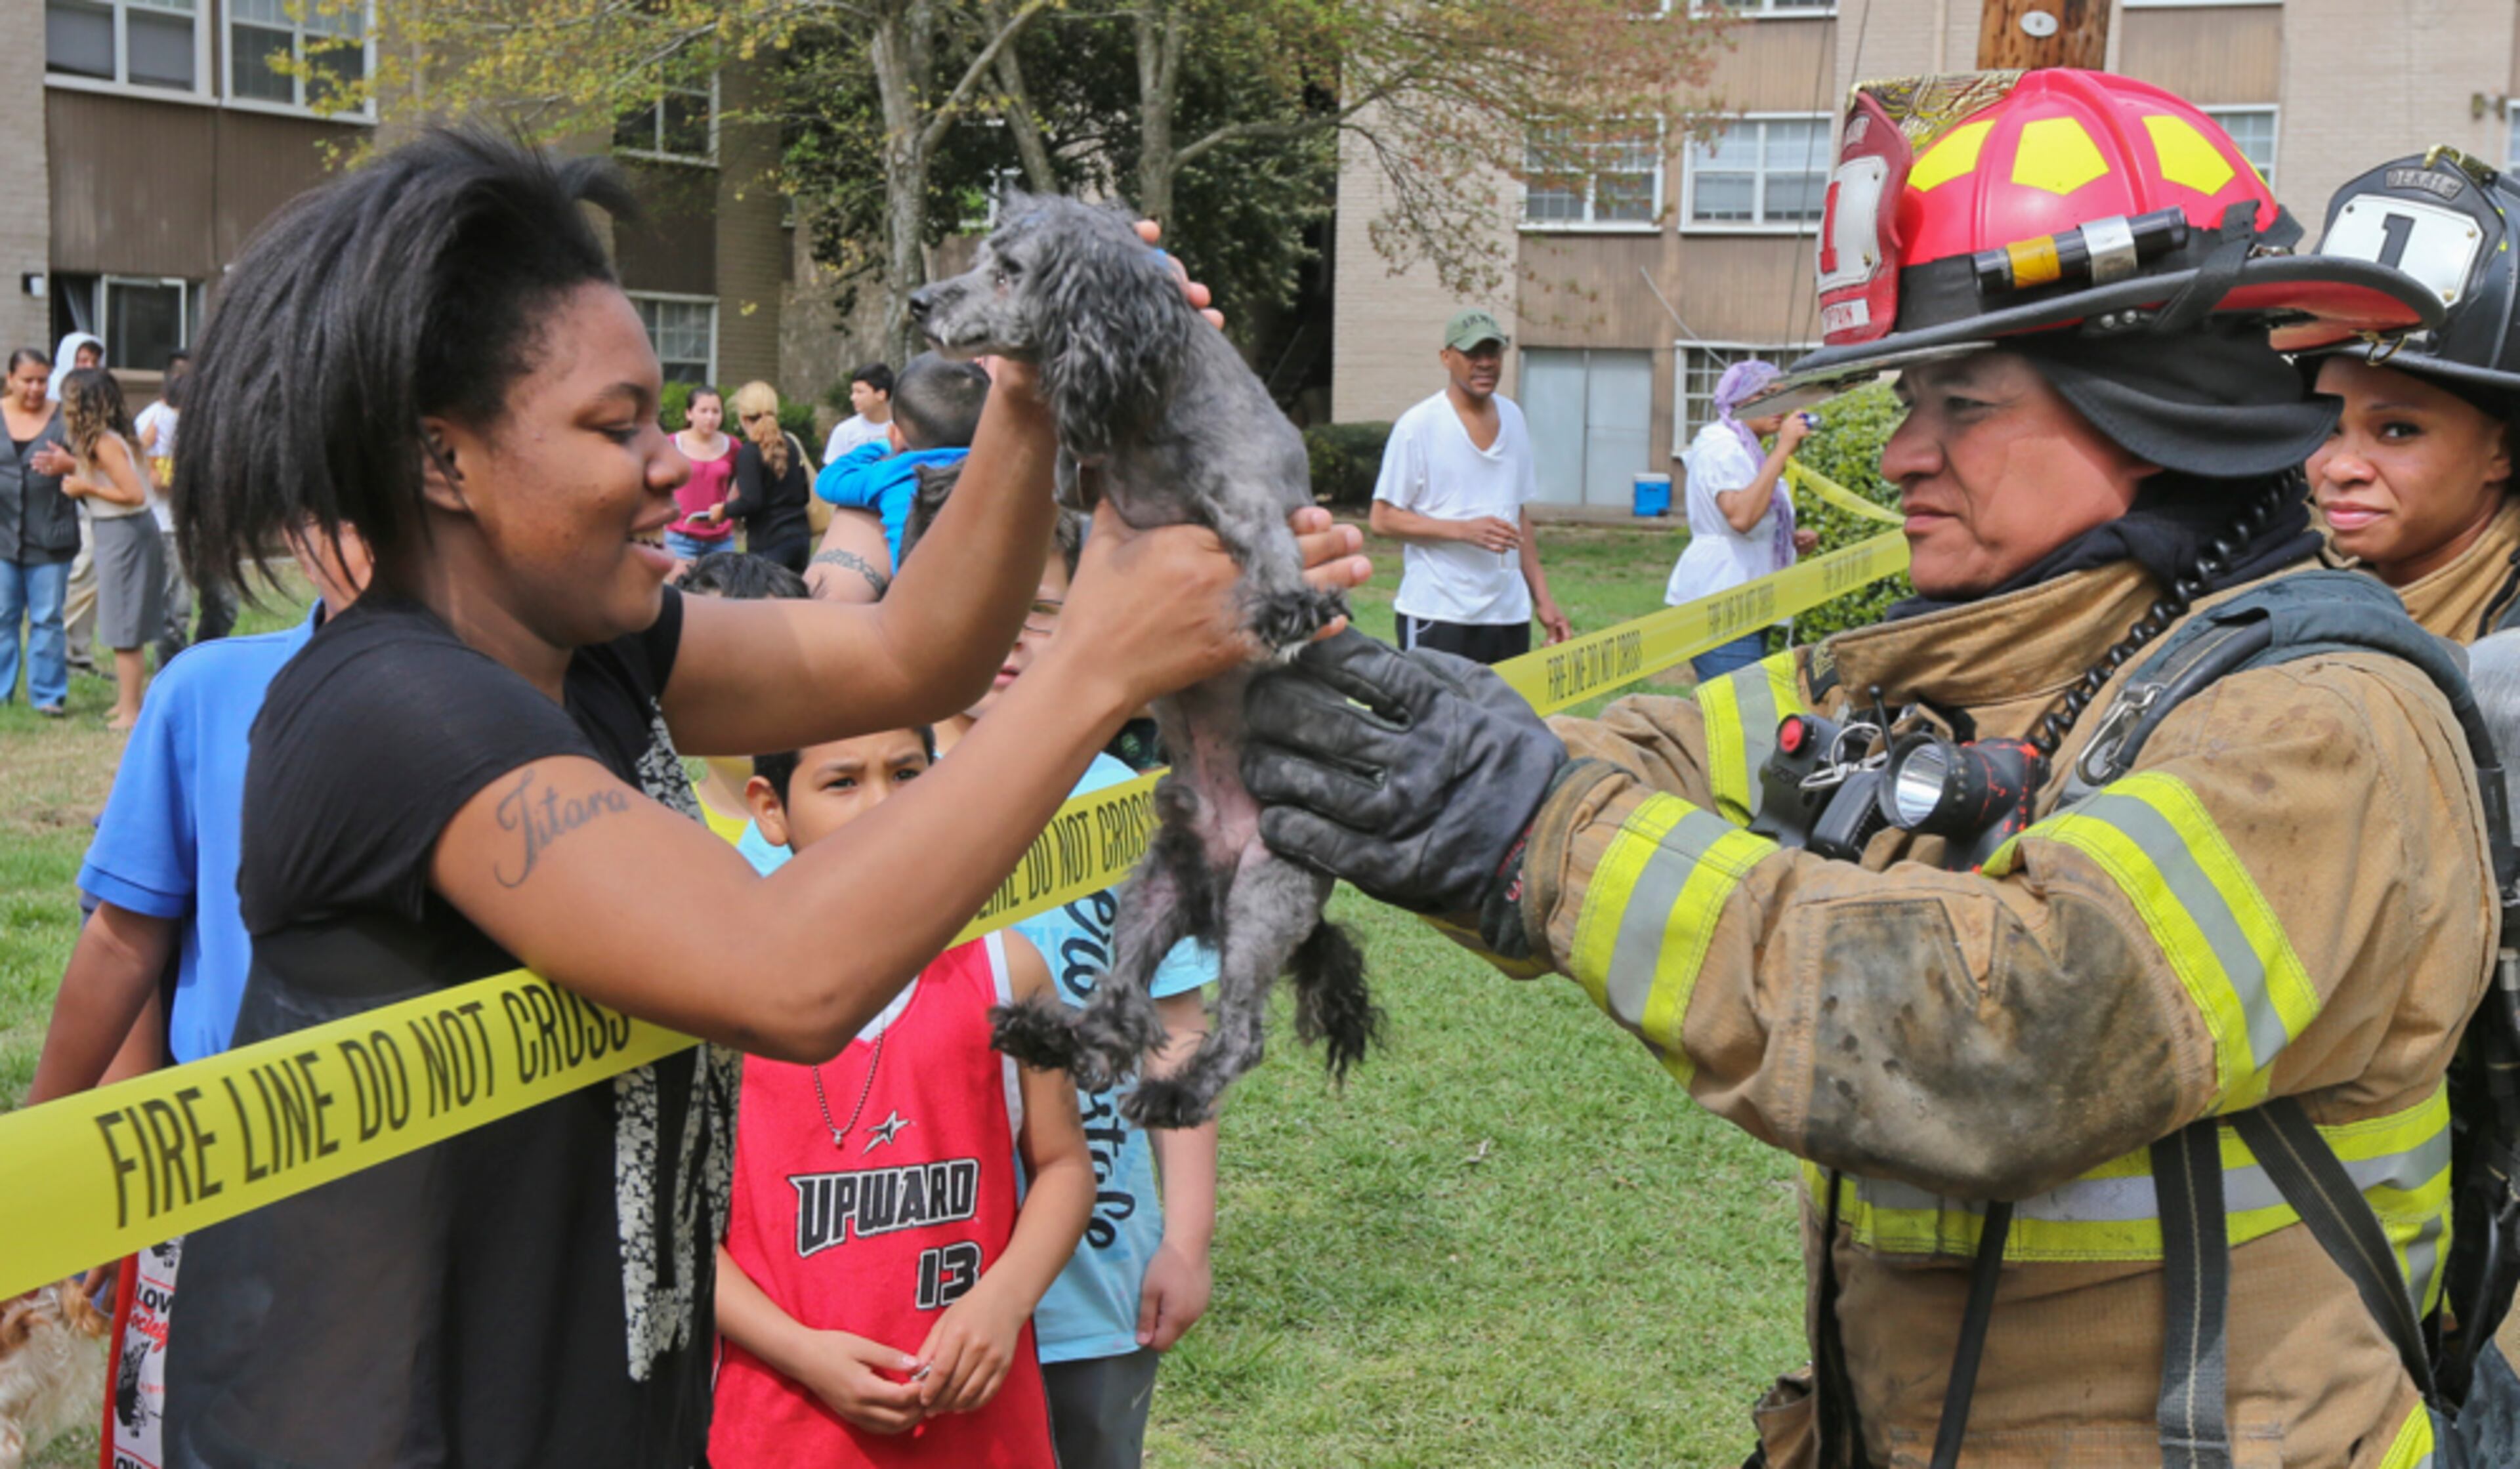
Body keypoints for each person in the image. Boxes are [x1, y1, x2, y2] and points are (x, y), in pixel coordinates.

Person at [1244, 72, 2501, 1463]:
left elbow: (2007, 1036)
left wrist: (1539, 834)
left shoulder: (2323, 730)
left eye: (1963, 402)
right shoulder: (1968, 667)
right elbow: (1660, 758)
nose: (1903, 452)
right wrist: (1323, 708)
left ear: (2160, 399)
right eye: (1908, 399)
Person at [158, 127, 1365, 1468]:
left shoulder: (593, 653)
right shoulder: (395, 710)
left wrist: (1031, 374)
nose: (674, 463)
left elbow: (917, 652)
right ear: (443, 462)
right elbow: (781, 974)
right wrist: (1096, 660)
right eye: (615, 428)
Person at [23, 525, 369, 1469]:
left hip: (414, 1192)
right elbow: (135, 934)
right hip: (212, 1163)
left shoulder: (522, 706)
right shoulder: (207, 691)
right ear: (306, 534)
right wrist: (63, 1167)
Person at [710, 723, 1091, 1468]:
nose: (883, 805)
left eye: (909, 773)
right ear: (769, 807)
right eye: (842, 781)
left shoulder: (1009, 971)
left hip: (982, 1430)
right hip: (780, 1429)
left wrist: (1003, 1301)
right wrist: (803, 1351)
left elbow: (1066, 1167)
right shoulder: (711, 999)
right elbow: (674, 1233)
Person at [941, 511, 1219, 1469]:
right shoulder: (862, 796)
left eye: (1047, 611)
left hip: (1095, 1284)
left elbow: (1177, 1032)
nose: (1016, 640)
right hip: (914, 1274)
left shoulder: (1134, 813)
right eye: (993, 610)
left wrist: (1185, 1237)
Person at [2299, 150, 2520, 643]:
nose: (2340, 469)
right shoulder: (2275, 579)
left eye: (2398, 430)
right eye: (2327, 426)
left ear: (2502, 450)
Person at [1368, 308, 1570, 663]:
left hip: (1508, 614)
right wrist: (1463, 530)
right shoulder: (1418, 426)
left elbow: (1517, 515)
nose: (1485, 363)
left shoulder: (1514, 418)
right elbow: (1382, 520)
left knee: (1501, 719)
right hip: (1439, 612)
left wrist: (1544, 600)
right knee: (1437, 719)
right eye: (1472, 353)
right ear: (1446, 358)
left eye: (1493, 353)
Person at [1668, 360, 1822, 680]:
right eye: (1765, 395)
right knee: (1746, 712)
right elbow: (1740, 517)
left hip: (1748, 598)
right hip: (1722, 601)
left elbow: (1751, 517)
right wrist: (1784, 449)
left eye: (1782, 395)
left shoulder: (1747, 449)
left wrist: (1787, 538)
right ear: (1736, 401)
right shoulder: (1722, 447)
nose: (1779, 406)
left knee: (1743, 713)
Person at [808, 354, 988, 601]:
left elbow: (829, 480)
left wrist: (885, 444)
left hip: (918, 602)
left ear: (896, 434)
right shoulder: (996, 471)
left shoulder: (892, 474)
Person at [41, 366, 163, 728]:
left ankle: (130, 711)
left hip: (126, 533)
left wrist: (85, 487)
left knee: (125, 626)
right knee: (119, 621)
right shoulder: (103, 441)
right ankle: (125, 702)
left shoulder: (105, 443)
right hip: (117, 533)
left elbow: (134, 495)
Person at [675, 550, 812, 862]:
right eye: (718, 660)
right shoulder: (659, 825)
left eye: (775, 657)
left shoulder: (855, 813)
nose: (750, 682)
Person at [0, 346, 75, 714]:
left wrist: (69, 464)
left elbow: (98, 463)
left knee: (47, 618)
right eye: (27, 380)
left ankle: (47, 696)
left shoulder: (65, 418)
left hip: (51, 535)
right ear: (10, 379)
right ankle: (2, 692)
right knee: (2, 616)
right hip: (2, 537)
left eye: (42, 381)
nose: (35, 388)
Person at [51, 332, 104, 676]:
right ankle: (59, 652)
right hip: (56, 506)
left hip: (92, 503)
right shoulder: (51, 401)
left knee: (90, 577)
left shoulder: (100, 403)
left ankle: (78, 654)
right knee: (74, 576)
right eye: (81, 360)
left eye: (93, 361)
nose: (87, 367)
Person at [726, 380, 816, 574]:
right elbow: (805, 494)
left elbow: (751, 502)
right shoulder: (791, 444)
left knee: (766, 602)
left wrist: (723, 511)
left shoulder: (750, 452)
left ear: (743, 418)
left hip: (768, 540)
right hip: (799, 538)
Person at [139, 354, 192, 667]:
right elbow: (158, 481)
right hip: (167, 525)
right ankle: (170, 667)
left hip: (202, 524)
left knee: (222, 602)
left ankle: (205, 656)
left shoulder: (201, 417)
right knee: (176, 604)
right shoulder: (153, 422)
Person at [667, 384, 738, 564]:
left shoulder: (733, 446)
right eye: (704, 411)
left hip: (720, 539)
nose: (710, 417)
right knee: (680, 590)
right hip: (680, 537)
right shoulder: (672, 444)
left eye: (716, 411)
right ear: (689, 414)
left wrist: (730, 509)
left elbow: (742, 482)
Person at [823, 362, 896, 465]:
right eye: (853, 392)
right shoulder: (844, 431)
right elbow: (833, 472)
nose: (853, 398)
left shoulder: (904, 429)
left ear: (881, 395)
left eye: (860, 392)